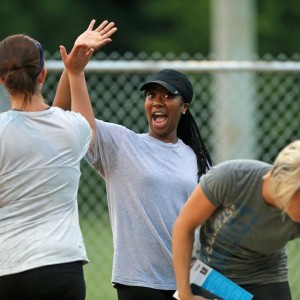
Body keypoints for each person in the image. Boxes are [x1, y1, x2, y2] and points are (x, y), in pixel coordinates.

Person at [53, 20, 212, 300]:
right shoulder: (122, 144)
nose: (157, 101)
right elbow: (61, 118)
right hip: (139, 281)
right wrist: (73, 72)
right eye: (151, 95)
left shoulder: (197, 160)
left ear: (184, 107)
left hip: (188, 282)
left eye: (168, 96)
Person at [0, 20, 116, 300]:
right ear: (42, 75)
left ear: (2, 79)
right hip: (60, 266)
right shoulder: (70, 129)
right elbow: (71, 123)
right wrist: (74, 71)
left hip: (7, 266)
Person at [172, 140, 300, 300]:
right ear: (289, 187)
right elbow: (184, 226)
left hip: (265, 274)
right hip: (213, 272)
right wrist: (185, 296)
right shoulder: (230, 178)